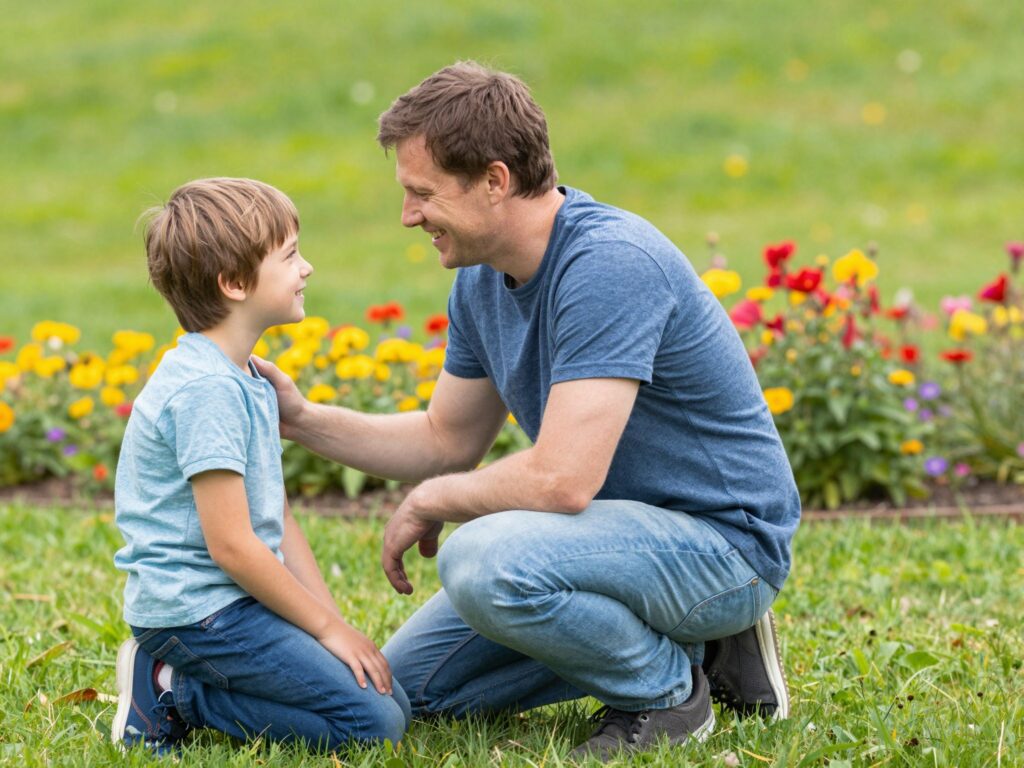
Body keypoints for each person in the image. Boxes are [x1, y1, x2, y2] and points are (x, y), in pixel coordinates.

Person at [256, 61, 801, 762]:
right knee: (406, 692)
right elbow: (445, 437)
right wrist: (300, 418)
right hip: (604, 544)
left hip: (725, 544)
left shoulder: (609, 264)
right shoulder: (482, 281)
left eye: (422, 193)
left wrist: (435, 500)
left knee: (484, 559)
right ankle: (701, 642)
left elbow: (561, 481)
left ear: (494, 180)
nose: (407, 216)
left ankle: (667, 694)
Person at [111, 178, 410, 755]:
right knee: (374, 726)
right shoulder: (205, 392)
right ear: (234, 283)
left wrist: (330, 621)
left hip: (235, 602)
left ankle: (186, 684)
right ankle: (170, 689)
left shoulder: (245, 378)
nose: (308, 269)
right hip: (196, 613)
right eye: (291, 255)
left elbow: (274, 514)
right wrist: (325, 632)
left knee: (388, 698)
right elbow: (232, 546)